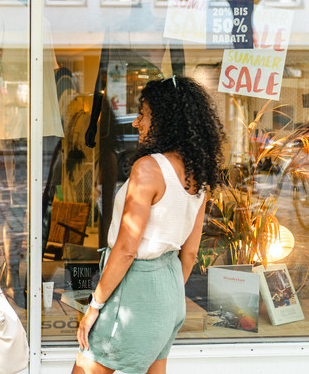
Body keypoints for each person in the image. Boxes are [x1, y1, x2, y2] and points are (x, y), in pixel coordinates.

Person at [72, 75, 225, 374]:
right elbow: (190, 253)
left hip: (132, 289)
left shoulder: (149, 169)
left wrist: (94, 307)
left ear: (166, 120)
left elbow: (127, 249)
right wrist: (164, 296)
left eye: (143, 114)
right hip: (169, 290)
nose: (135, 122)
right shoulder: (198, 174)